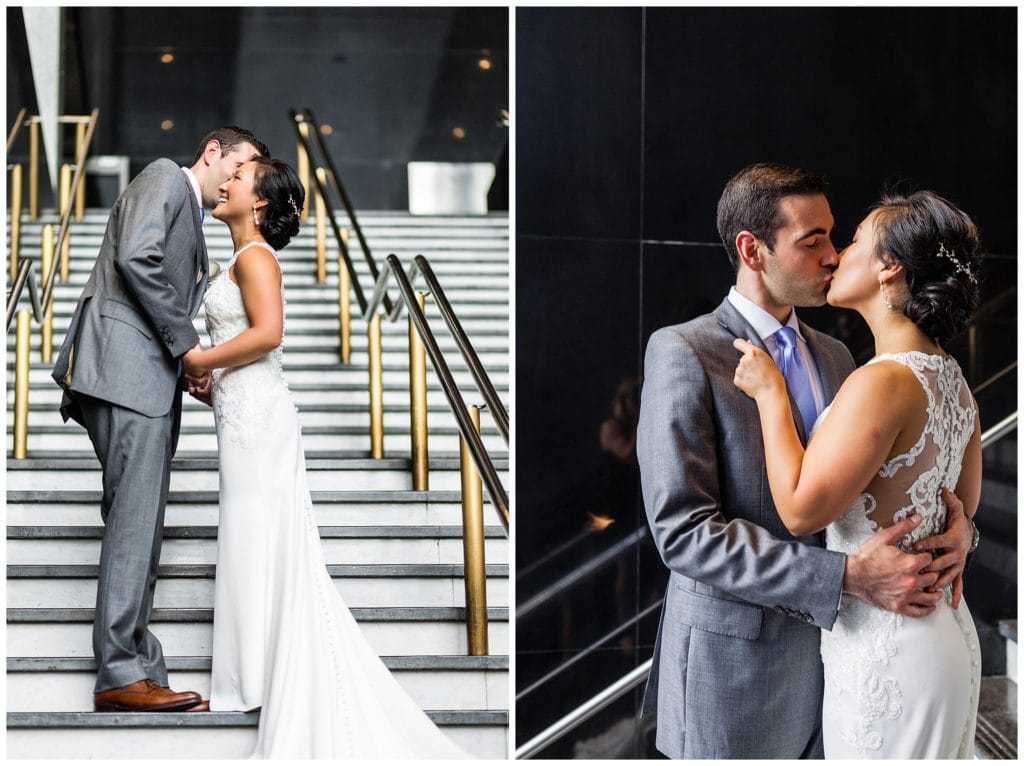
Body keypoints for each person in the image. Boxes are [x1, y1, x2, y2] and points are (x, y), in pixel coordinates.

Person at [636, 163, 976, 759]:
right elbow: (683, 533)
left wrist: (960, 534)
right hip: (739, 673)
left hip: (856, 661)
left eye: (835, 236)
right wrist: (844, 579)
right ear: (753, 249)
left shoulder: (842, 355)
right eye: (811, 239)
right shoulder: (685, 351)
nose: (831, 254)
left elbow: (898, 483)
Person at [181, 157, 469, 758]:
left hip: (260, 420)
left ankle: (254, 679)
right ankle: (247, 677)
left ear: (258, 202)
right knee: (248, 538)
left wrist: (199, 361)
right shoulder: (236, 258)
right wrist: (209, 369)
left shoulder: (256, 257)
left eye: (239, 178)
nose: (226, 181)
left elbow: (268, 334)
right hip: (241, 413)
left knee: (261, 536)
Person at [733, 189, 983, 758]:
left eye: (852, 241)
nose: (835, 254)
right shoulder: (954, 382)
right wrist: (963, 534)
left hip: (891, 651)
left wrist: (772, 397)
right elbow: (960, 512)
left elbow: (800, 510)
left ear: (888, 267)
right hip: (942, 629)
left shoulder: (881, 381)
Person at [51, 126, 268, 712]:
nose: (242, 179)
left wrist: (187, 365)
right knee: (135, 523)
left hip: (143, 378)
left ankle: (141, 668)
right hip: (124, 371)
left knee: (138, 523)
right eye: (243, 164)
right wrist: (188, 346)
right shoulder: (164, 178)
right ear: (212, 153)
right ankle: (122, 672)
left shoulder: (193, 221)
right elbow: (134, 257)